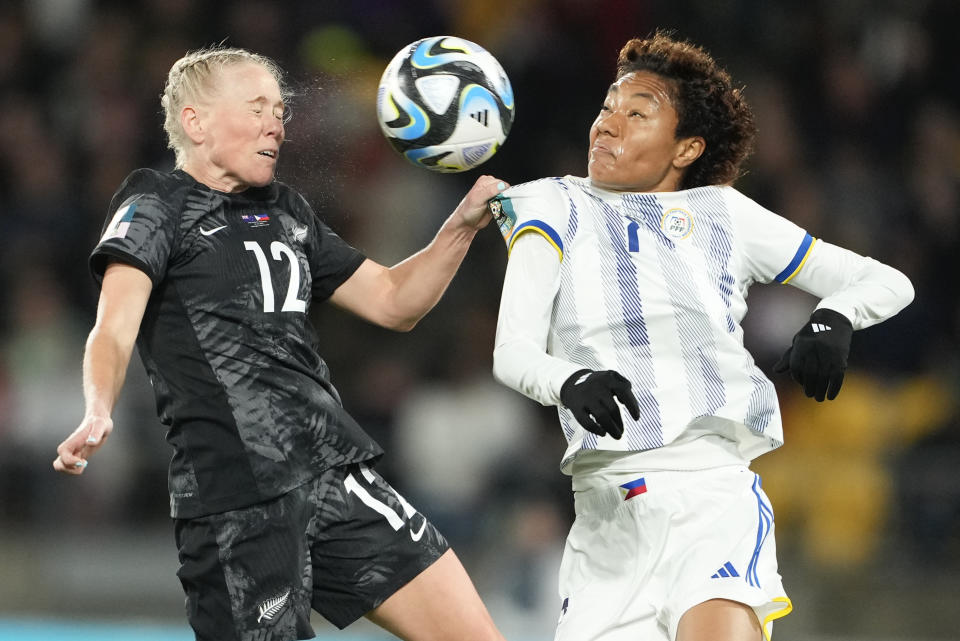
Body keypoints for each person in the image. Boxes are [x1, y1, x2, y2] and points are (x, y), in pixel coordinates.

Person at [53, 46, 509, 641]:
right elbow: (113, 327)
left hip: (336, 474)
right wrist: (98, 406)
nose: (277, 123)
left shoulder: (289, 212)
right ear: (196, 122)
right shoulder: (155, 204)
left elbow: (395, 300)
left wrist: (462, 225)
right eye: (257, 107)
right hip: (238, 501)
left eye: (280, 111)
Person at [489, 31, 914, 641]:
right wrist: (569, 379)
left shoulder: (723, 214)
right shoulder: (549, 205)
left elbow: (884, 281)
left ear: (686, 147)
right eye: (608, 107)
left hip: (711, 495)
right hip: (606, 524)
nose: (608, 124)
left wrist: (835, 316)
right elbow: (512, 352)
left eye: (637, 114)